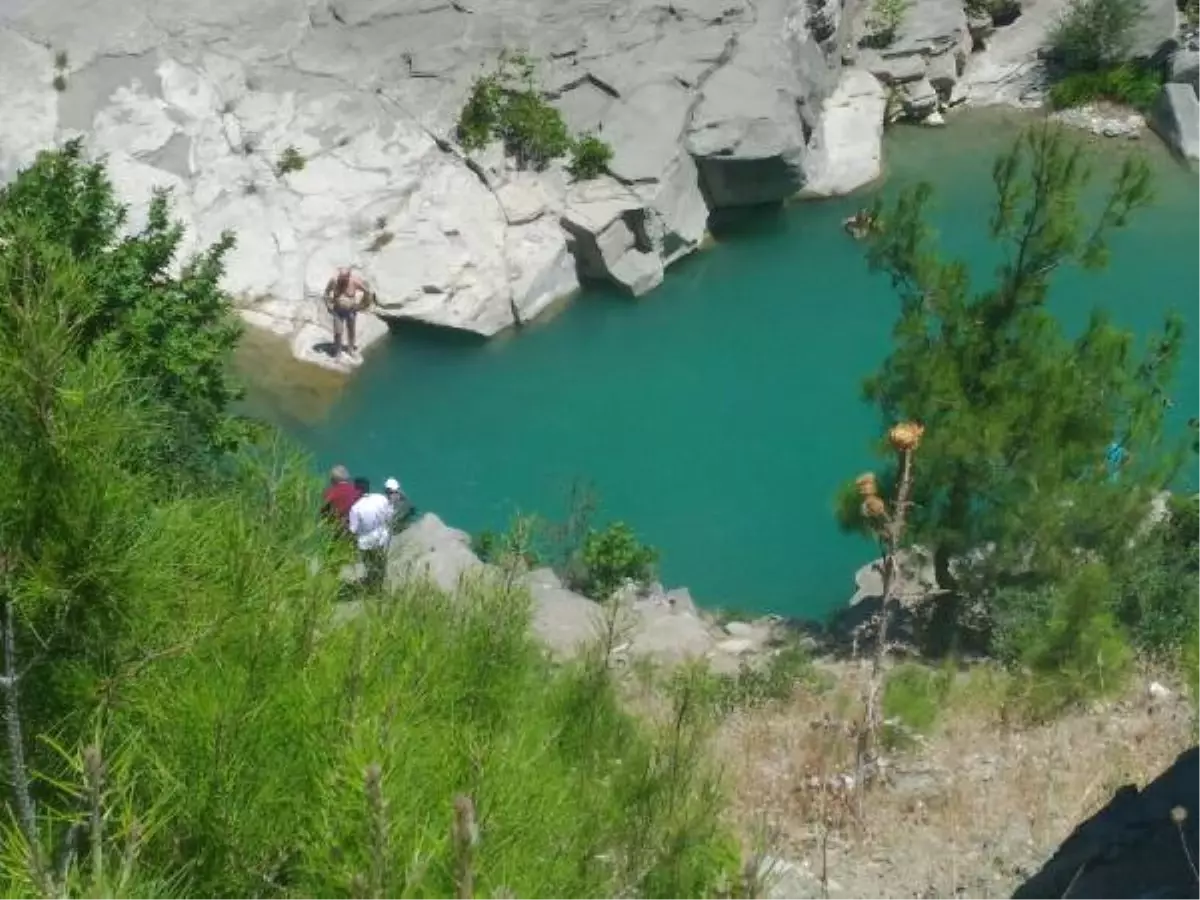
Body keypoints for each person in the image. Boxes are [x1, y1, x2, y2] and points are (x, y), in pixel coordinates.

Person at [348, 479, 394, 588]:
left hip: (366, 543)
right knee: (380, 561)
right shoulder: (381, 498)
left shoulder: (355, 508)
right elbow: (389, 515)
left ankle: (372, 585)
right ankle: (380, 583)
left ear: (357, 490)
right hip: (382, 537)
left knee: (369, 564)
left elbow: (353, 530)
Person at [323, 267, 373, 359]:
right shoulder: (334, 281)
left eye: (344, 277)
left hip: (351, 310)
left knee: (351, 330)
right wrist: (328, 306)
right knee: (338, 332)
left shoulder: (355, 281)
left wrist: (362, 305)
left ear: (349, 276)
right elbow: (326, 293)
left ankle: (350, 350)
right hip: (338, 310)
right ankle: (338, 352)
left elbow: (368, 292)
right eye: (341, 277)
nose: (342, 279)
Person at [320, 464, 362, 531]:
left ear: (333, 480)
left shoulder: (329, 493)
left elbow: (323, 513)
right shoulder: (358, 491)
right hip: (357, 528)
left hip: (337, 529)